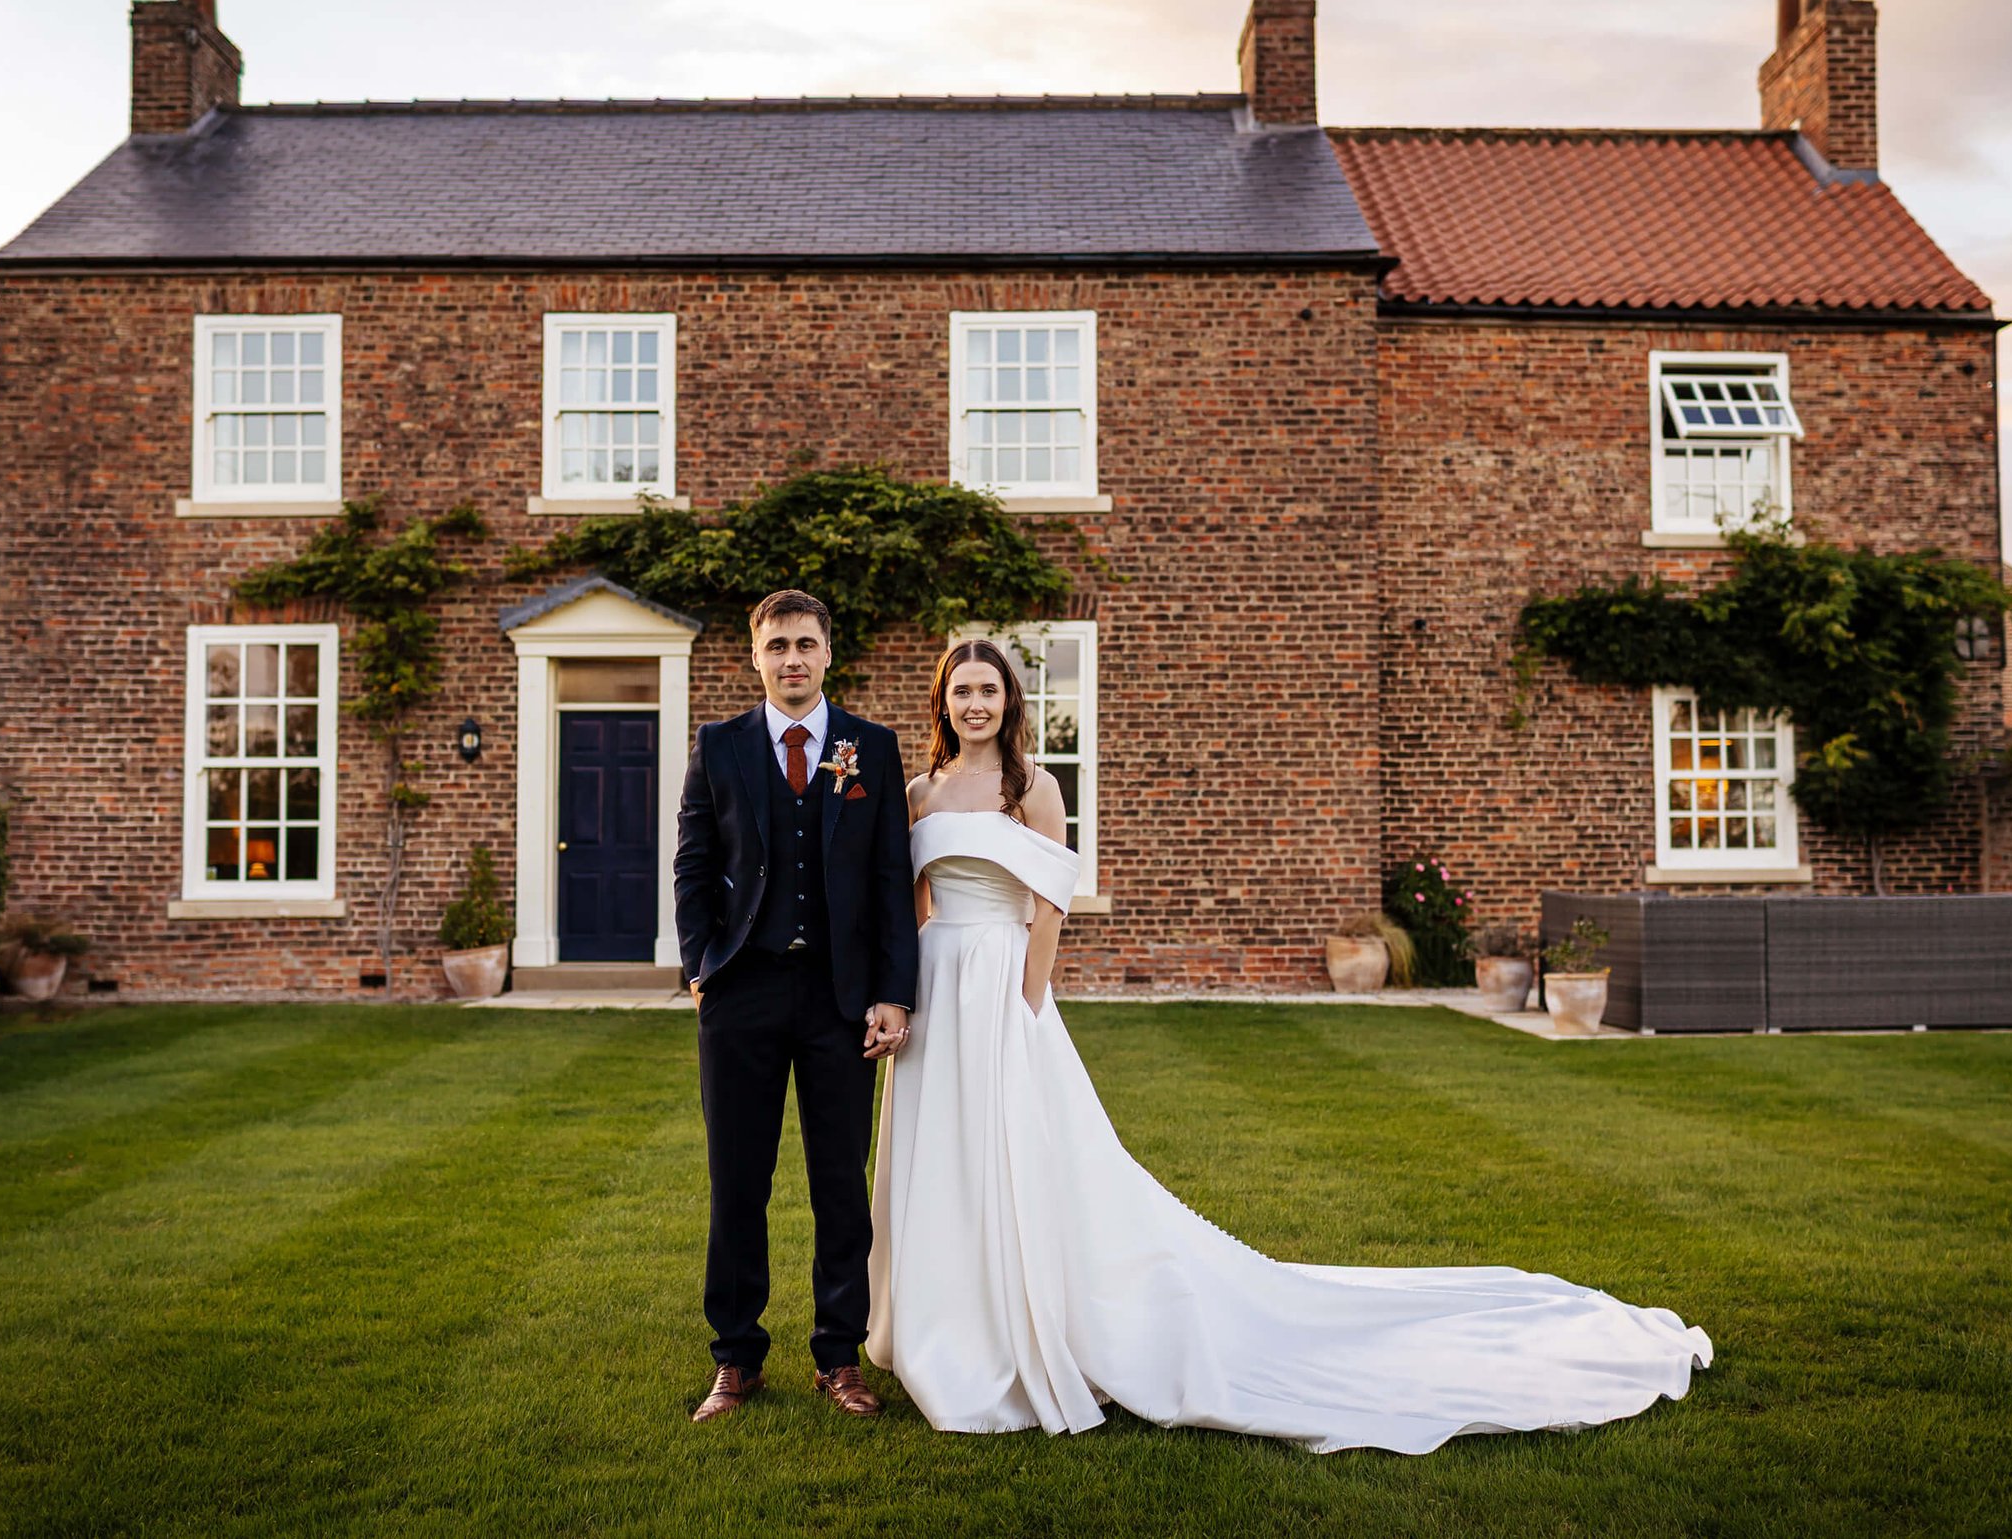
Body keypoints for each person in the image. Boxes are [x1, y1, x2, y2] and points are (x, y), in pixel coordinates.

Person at [867, 638, 1713, 1454]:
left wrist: (1025, 1006)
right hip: (939, 991)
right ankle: (951, 1329)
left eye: (988, 689)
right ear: (943, 700)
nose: (974, 703)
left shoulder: (1034, 787)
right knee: (943, 1159)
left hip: (1004, 988)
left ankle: (1023, 1333)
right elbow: (912, 908)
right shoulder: (921, 792)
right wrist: (906, 991)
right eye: (961, 690)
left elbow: (1050, 908)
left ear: (1008, 700)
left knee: (1016, 1158)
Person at [672, 589, 918, 1423]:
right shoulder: (719, 745)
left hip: (839, 999)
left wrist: (893, 990)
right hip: (741, 990)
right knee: (737, 1181)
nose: (792, 658)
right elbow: (692, 864)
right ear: (755, 656)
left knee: (839, 1184)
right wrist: (701, 968)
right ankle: (736, 1357)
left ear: (827, 652)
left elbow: (891, 877)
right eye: (777, 645)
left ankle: (838, 1355)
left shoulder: (869, 747)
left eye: (805, 643)